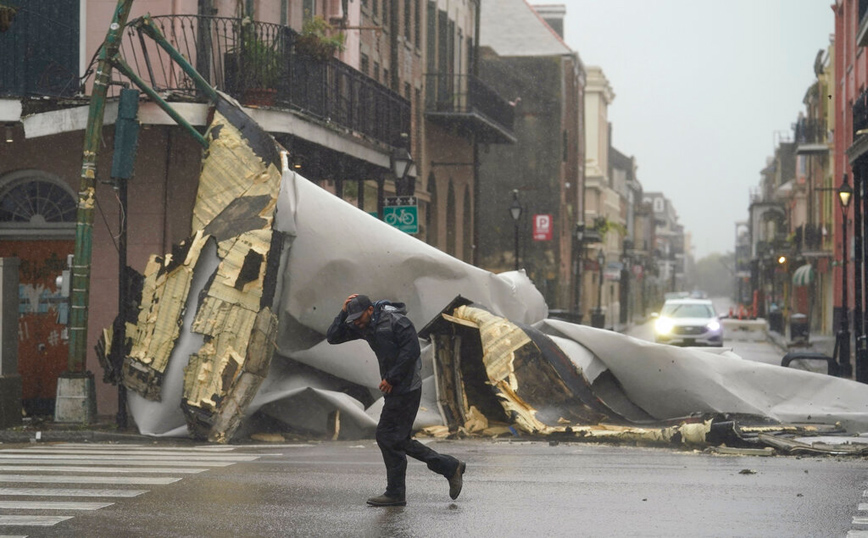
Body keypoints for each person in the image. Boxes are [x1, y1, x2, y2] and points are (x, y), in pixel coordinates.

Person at [327, 293, 466, 507]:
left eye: (359, 317)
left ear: (371, 310)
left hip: (407, 386)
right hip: (394, 387)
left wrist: (392, 378)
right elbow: (333, 337)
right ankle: (414, 484)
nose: (356, 322)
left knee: (390, 437)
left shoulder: (397, 322)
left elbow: (411, 352)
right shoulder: (363, 324)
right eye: (353, 318)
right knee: (393, 438)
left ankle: (436, 472)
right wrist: (343, 312)